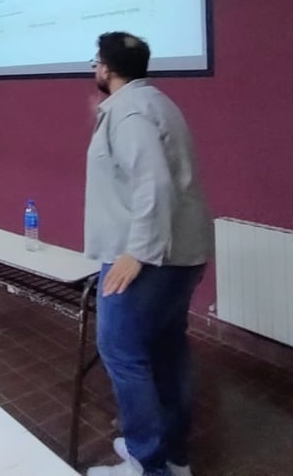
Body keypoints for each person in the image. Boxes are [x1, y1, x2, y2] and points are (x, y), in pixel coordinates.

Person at [84, 32, 213, 476]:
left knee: (121, 351)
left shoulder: (129, 112)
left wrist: (136, 253)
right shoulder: (154, 103)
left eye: (96, 61)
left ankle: (148, 463)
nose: (94, 68)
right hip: (180, 253)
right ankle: (173, 457)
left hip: (147, 257)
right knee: (166, 350)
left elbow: (153, 182)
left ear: (106, 68)